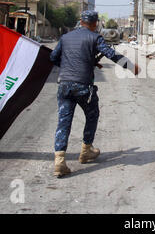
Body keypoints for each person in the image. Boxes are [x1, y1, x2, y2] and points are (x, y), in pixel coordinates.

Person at [50, 10, 140, 178]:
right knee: (92, 115)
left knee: (63, 121)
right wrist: (130, 66)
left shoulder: (66, 37)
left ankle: (59, 161)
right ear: (95, 24)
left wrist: (84, 63)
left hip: (64, 85)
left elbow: (54, 57)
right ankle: (86, 150)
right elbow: (111, 54)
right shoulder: (94, 37)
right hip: (83, 86)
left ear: (80, 21)